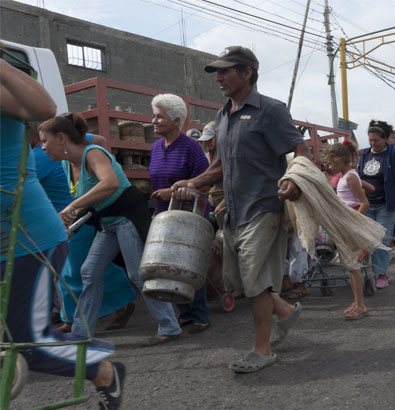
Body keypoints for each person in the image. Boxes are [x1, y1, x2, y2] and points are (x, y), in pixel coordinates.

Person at [1, 51, 125, 410]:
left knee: (29, 344)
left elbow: (44, 105)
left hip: (27, 239)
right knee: (18, 339)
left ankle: (102, 368)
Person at [171, 46, 308, 373]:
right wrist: (194, 182)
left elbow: (300, 148)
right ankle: (286, 312)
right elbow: (221, 165)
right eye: (216, 72)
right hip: (232, 210)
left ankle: (262, 351)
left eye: (226, 70)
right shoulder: (222, 115)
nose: (219, 77)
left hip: (263, 206)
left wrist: (295, 178)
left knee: (257, 283)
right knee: (241, 282)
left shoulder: (270, 111)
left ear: (247, 73)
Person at [39, 114, 182, 346]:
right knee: (89, 271)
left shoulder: (93, 153)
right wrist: (69, 224)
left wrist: (73, 207)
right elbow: (91, 204)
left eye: (45, 140)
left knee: (137, 273)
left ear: (62, 138)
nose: (43, 147)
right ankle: (81, 332)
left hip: (127, 217)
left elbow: (110, 183)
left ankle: (169, 326)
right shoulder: (67, 164)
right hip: (107, 222)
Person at [30, 124, 136, 333]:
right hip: (66, 217)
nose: (44, 146)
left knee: (75, 269)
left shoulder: (39, 157)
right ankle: (72, 318)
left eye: (46, 141)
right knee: (74, 269)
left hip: (75, 217)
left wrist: (93, 162)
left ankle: (122, 303)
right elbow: (100, 141)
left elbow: (100, 147)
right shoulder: (51, 155)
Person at [149, 93, 212, 334]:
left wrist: (181, 189)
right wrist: (157, 211)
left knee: (190, 264)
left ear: (176, 121)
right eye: (154, 116)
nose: (154, 121)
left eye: (159, 117)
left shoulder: (191, 148)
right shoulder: (155, 148)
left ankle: (200, 315)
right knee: (170, 264)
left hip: (190, 215)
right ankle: (184, 313)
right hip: (166, 216)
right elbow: (157, 184)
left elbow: (205, 183)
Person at [358, 120, 395, 289]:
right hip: (367, 204)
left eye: (376, 140)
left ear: (384, 139)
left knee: (382, 239)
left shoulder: (393, 154)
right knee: (367, 238)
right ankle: (366, 271)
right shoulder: (365, 155)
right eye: (370, 140)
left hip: (386, 205)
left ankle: (381, 273)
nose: (372, 144)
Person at [327, 140, 370, 320]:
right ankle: (356, 301)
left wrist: (353, 223)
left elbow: (365, 202)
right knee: (350, 266)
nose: (329, 165)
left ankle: (361, 305)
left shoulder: (350, 177)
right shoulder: (346, 176)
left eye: (331, 162)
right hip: (346, 221)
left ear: (342, 160)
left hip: (351, 221)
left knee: (354, 265)